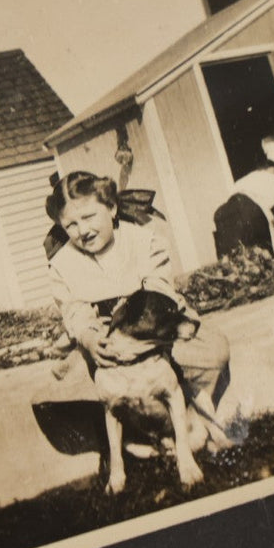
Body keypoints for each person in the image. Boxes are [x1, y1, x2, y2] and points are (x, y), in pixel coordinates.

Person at [42, 171, 231, 450]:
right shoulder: (63, 263)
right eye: (70, 225)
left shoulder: (141, 240)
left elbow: (158, 287)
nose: (82, 231)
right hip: (103, 333)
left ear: (112, 208)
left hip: (153, 323)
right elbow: (74, 309)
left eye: (89, 217)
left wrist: (144, 330)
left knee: (208, 353)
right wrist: (88, 337)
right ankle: (134, 437)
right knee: (84, 384)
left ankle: (197, 415)